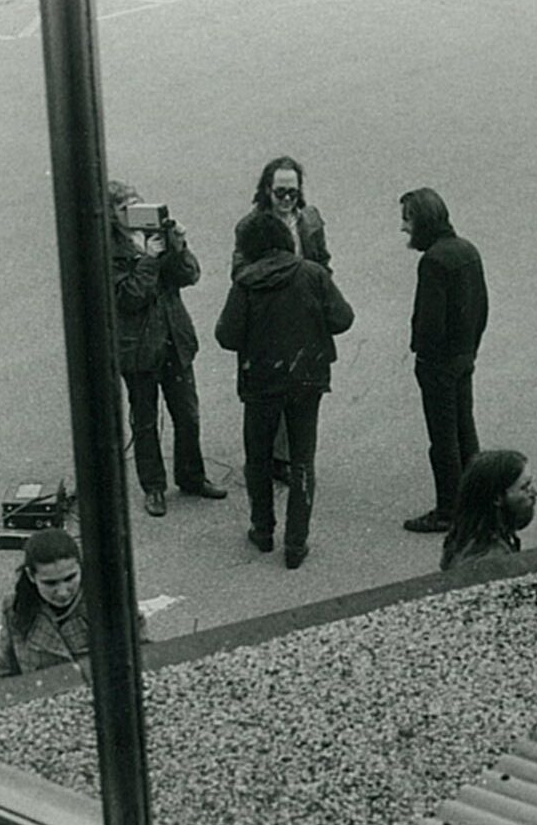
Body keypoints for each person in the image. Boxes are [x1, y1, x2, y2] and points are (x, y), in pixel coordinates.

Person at [215, 211, 355, 569]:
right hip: (307, 377)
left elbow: (227, 336)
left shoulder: (245, 282)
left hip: (261, 382)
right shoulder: (312, 273)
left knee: (258, 456)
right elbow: (343, 319)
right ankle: (296, 544)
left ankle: (263, 531)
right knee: (303, 459)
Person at [109, 179, 228, 517]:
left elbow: (189, 276)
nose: (132, 214)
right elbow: (129, 297)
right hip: (139, 349)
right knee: (145, 421)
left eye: (137, 205)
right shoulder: (109, 249)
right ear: (111, 215)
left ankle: (192, 477)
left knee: (187, 415)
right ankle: (154, 487)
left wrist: (179, 246)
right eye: (123, 208)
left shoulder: (156, 235)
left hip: (174, 341)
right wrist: (149, 260)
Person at [232, 156, 333, 484]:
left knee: (298, 386)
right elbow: (239, 272)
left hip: (303, 311)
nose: (287, 199)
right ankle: (275, 460)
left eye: (292, 192)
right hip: (268, 314)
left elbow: (323, 259)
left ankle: (286, 458)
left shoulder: (311, 219)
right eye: (280, 192)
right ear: (266, 190)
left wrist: (321, 288)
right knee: (271, 391)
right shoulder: (250, 225)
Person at [398, 187, 489, 534]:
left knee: (443, 438)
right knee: (465, 429)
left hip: (438, 363)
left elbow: (430, 322)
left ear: (422, 220)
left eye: (407, 219)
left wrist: (421, 350)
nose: (404, 228)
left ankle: (448, 509)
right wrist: (471, 347)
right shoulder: (467, 249)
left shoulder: (433, 261)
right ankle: (476, 500)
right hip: (465, 355)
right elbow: (483, 306)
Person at [0, 529, 93, 679]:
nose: (62, 592)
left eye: (70, 578)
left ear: (80, 567)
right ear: (31, 576)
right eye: (50, 583)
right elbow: (7, 673)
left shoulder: (105, 602)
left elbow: (140, 652)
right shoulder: (15, 610)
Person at [440, 450, 537, 572]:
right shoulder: (491, 561)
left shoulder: (468, 531)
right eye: (524, 487)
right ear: (497, 498)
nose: (534, 493)